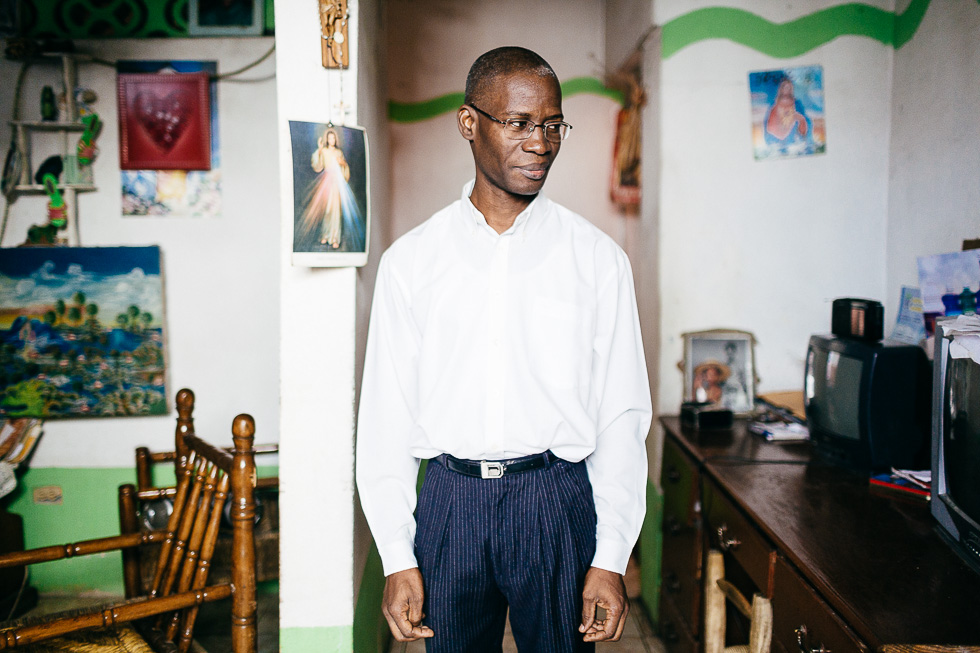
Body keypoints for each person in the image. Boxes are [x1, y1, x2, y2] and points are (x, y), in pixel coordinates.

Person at [356, 46, 651, 652]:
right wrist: (394, 553)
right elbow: (384, 417)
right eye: (519, 124)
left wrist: (612, 554)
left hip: (556, 499)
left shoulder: (597, 260)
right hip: (449, 501)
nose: (540, 143)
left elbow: (623, 414)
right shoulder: (412, 262)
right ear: (470, 124)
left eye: (552, 124)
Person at [299, 128, 350, 248]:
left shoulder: (338, 153)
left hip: (336, 182)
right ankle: (325, 235)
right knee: (327, 210)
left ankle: (335, 238)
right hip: (326, 181)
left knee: (336, 210)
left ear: (335, 139)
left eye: (333, 138)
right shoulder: (325, 151)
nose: (331, 140)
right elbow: (318, 165)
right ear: (327, 139)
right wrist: (320, 150)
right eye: (329, 138)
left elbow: (344, 170)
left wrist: (343, 164)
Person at [764, 77, 811, 147]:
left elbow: (803, 117)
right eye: (785, 87)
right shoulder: (774, 103)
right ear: (781, 89)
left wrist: (798, 118)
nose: (787, 90)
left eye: (789, 88)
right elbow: (769, 121)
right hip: (776, 133)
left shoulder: (797, 103)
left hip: (792, 133)